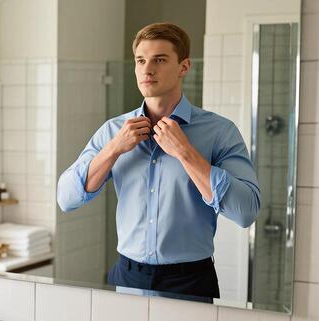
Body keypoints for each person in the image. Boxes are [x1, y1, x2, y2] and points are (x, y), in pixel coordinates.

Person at [57, 22, 260, 299]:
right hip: (127, 276)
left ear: (184, 67)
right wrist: (114, 149)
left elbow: (246, 211)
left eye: (159, 60)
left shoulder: (220, 132)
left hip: (190, 280)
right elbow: (66, 198)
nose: (147, 69)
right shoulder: (113, 131)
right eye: (140, 60)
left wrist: (185, 153)